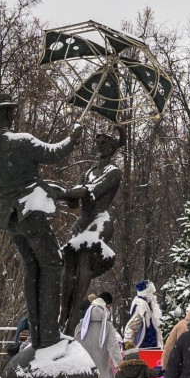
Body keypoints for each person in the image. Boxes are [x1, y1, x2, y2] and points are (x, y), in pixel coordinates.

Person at [0, 93, 83, 349]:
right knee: (51, 263)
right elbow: (54, 152)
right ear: (7, 115)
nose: (13, 116)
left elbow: (20, 180)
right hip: (30, 211)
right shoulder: (22, 141)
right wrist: (74, 136)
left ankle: (37, 331)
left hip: (9, 217)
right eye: (11, 112)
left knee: (31, 266)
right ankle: (48, 333)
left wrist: (58, 191)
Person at [58, 127, 125, 333]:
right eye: (98, 142)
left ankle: (73, 315)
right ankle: (64, 312)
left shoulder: (113, 172)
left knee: (84, 263)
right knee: (67, 264)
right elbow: (74, 202)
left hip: (100, 221)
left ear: (113, 147)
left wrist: (66, 192)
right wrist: (65, 196)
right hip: (82, 221)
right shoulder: (86, 172)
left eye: (104, 143)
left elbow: (92, 190)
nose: (99, 146)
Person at [74, 297, 122, 378]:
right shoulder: (108, 326)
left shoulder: (81, 325)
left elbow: (74, 345)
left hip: (82, 367)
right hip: (101, 368)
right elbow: (113, 347)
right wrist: (119, 364)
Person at [124, 280, 163, 349]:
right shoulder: (141, 305)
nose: (153, 295)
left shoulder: (149, 304)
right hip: (144, 343)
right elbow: (134, 324)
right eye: (151, 293)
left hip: (152, 342)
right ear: (146, 293)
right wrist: (128, 341)